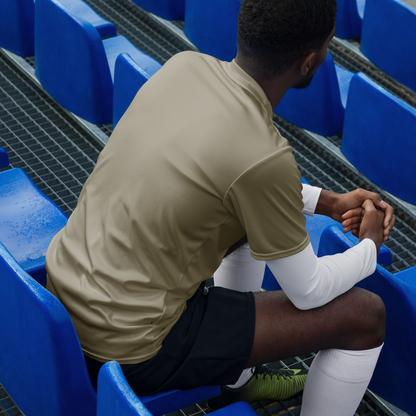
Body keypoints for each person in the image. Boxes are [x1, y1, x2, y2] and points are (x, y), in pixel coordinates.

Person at [45, 0, 395, 414]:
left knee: (245, 224)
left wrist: (327, 202)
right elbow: (308, 290)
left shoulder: (183, 67)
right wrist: (369, 248)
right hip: (131, 346)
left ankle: (238, 383)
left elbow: (229, 181)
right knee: (364, 316)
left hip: (65, 303)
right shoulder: (264, 156)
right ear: (309, 62)